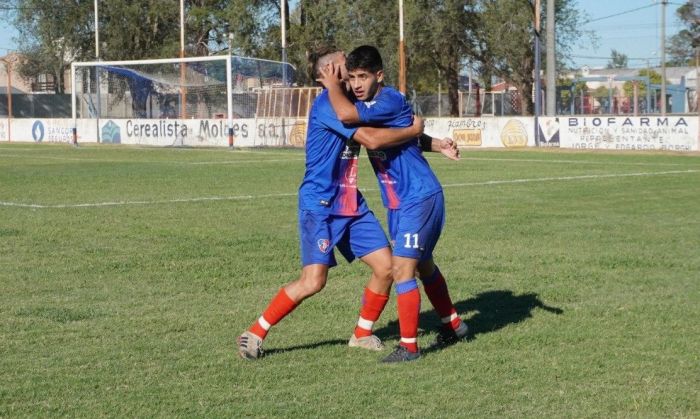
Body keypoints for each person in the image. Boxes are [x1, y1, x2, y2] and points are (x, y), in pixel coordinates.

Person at [237, 46, 425, 360]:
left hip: (350, 201)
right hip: (320, 204)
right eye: (343, 63)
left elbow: (388, 129)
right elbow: (371, 139)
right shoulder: (329, 104)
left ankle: (362, 334)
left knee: (387, 267)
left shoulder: (354, 103)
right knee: (313, 281)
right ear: (330, 72)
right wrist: (413, 129)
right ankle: (254, 332)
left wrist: (428, 139)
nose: (350, 65)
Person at [317, 45, 468, 363]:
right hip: (399, 203)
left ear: (379, 75)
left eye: (363, 77)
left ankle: (409, 347)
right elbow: (402, 133)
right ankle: (455, 325)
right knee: (423, 265)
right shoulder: (371, 103)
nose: (356, 84)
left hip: (419, 196)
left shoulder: (388, 100)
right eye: (353, 77)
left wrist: (331, 85)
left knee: (402, 269)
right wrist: (435, 142)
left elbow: (349, 118)